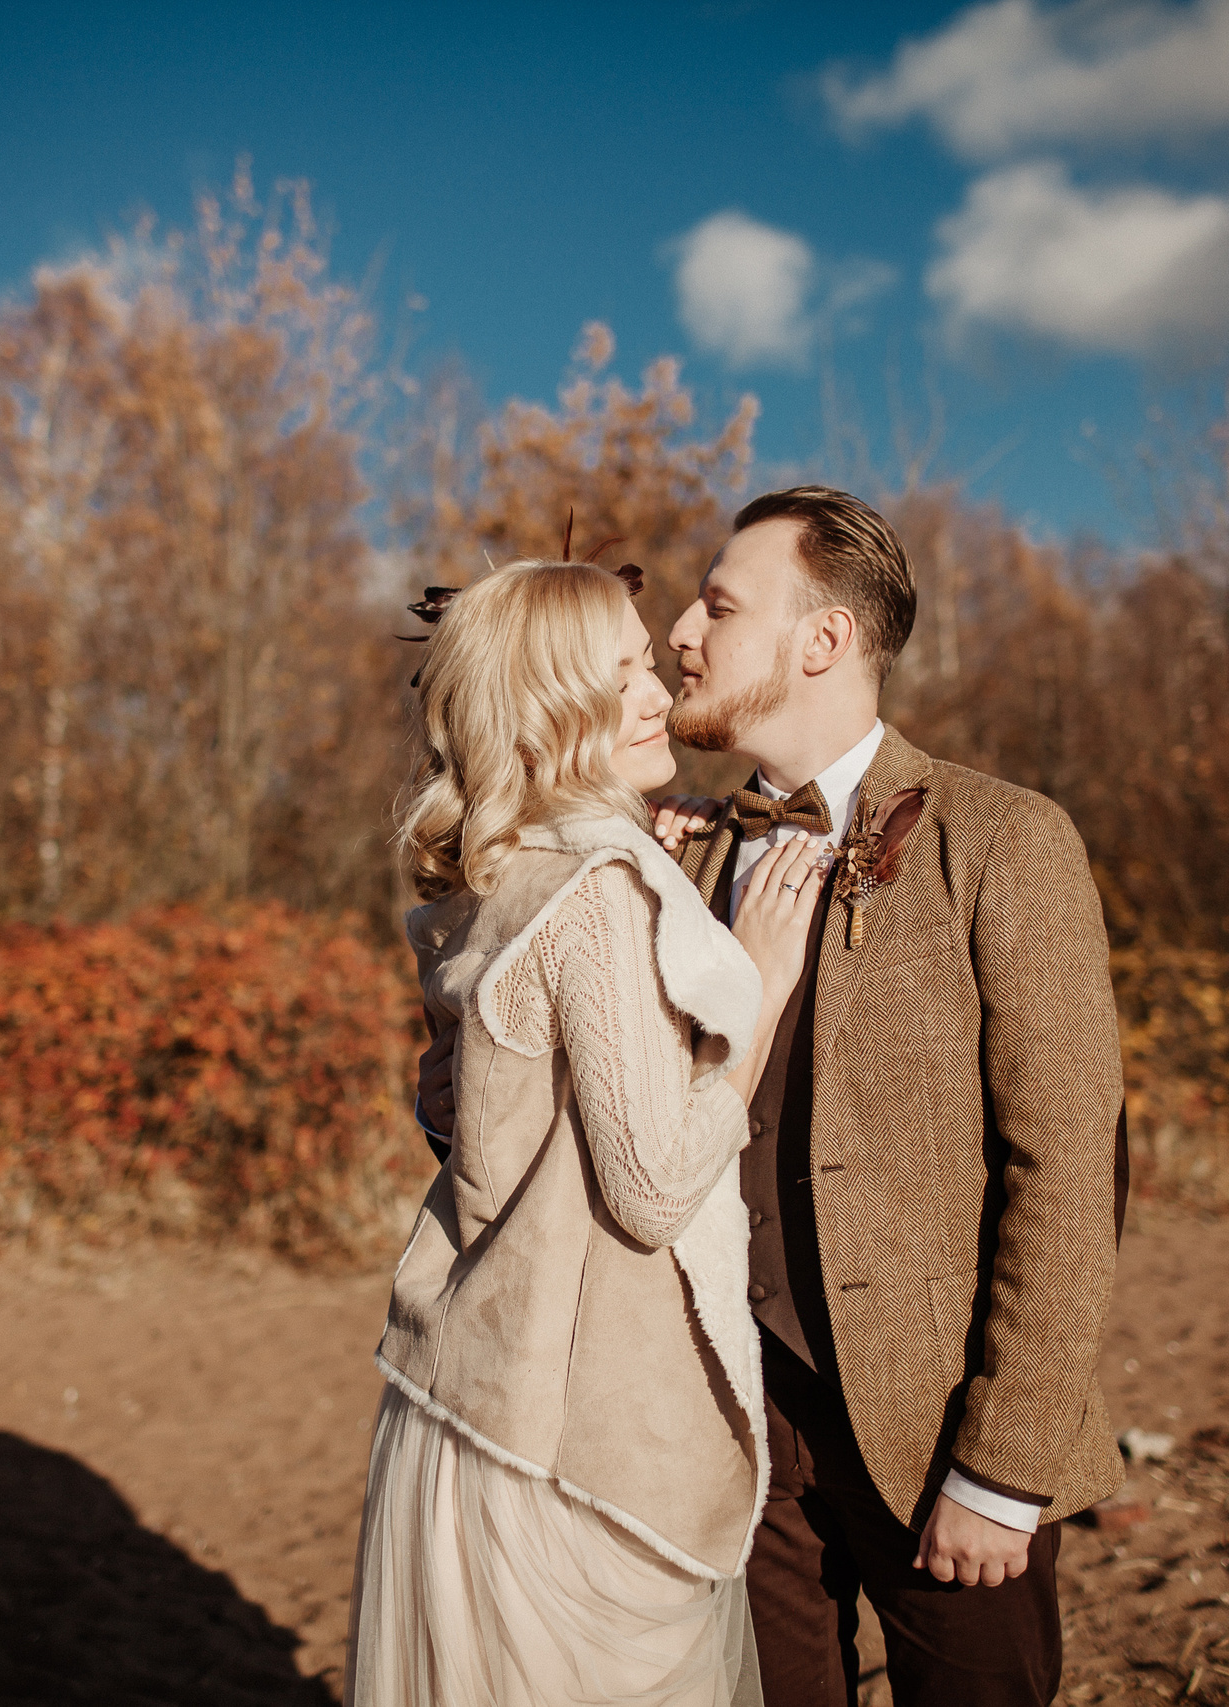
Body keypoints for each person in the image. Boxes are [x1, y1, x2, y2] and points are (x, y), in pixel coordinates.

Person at [652, 487, 1128, 1707]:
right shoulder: (683, 855)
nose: (681, 636)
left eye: (718, 605)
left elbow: (1069, 1171)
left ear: (822, 640)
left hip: (940, 1449)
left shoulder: (1003, 842)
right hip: (735, 1445)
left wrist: (1002, 1467)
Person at [351, 557, 828, 1707]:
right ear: (553, 706)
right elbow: (654, 1186)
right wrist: (756, 989)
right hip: (573, 1444)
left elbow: (470, 1117)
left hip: (462, 1410)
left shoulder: (493, 876)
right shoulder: (600, 896)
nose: (659, 684)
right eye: (620, 673)